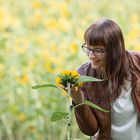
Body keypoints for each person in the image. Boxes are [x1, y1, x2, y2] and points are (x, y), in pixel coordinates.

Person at [71, 19, 140, 140]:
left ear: (115, 50)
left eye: (98, 50)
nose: (91, 55)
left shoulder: (137, 63)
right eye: (88, 48)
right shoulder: (83, 76)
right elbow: (90, 130)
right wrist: (78, 100)